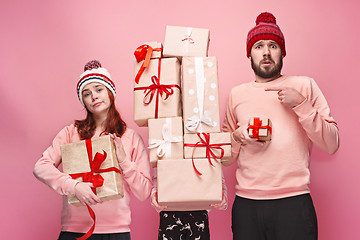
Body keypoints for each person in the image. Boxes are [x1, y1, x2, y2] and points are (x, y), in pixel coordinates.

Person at [222, 12, 340, 240]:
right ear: (250, 54)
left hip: (294, 202)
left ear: (282, 52)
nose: (266, 52)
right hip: (247, 206)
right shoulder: (237, 94)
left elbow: (332, 144)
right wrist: (237, 137)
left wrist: (302, 105)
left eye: (273, 45)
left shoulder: (304, 86)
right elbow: (225, 158)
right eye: (258, 46)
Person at [33, 60, 153, 240]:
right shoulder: (70, 132)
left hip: (117, 232)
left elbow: (144, 193)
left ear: (110, 93)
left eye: (99, 89)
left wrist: (124, 161)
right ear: (83, 101)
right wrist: (74, 185)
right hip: (74, 231)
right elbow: (40, 167)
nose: (94, 96)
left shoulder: (130, 137)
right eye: (86, 94)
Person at [150, 170, 228, 240]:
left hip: (198, 212)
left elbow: (216, 173)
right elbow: (159, 173)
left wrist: (222, 196)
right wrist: (154, 194)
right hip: (169, 211)